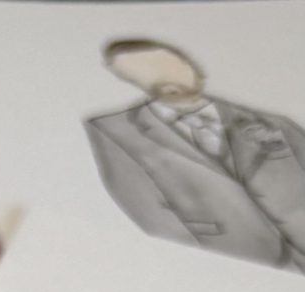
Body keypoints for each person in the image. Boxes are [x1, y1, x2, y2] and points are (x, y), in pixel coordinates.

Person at [87, 39, 305, 271]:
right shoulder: (114, 131)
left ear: (193, 66)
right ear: (127, 78)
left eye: (168, 66)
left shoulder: (274, 123)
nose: (163, 78)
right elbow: (152, 216)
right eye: (141, 71)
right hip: (231, 264)